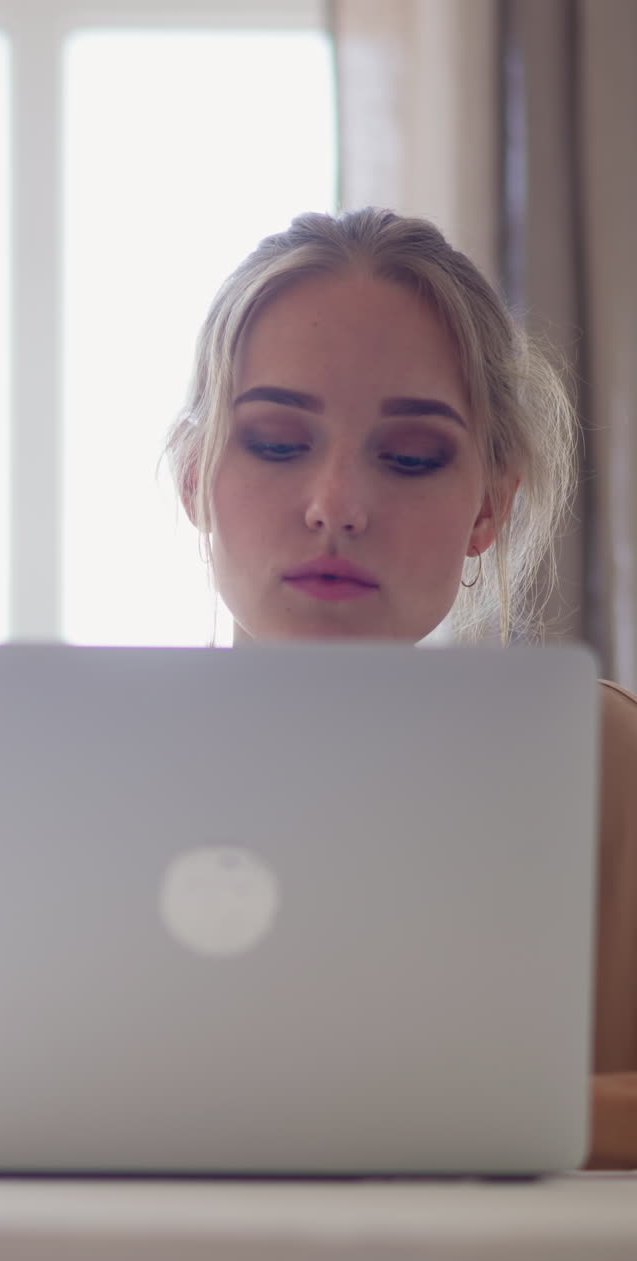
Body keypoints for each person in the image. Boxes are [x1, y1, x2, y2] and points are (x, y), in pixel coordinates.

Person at [165, 207, 637, 1170]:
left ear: (490, 507)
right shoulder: (50, 771)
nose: (337, 505)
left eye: (411, 456)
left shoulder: (607, 765)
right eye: (276, 441)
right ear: (192, 479)